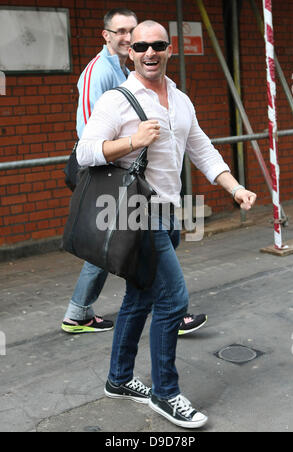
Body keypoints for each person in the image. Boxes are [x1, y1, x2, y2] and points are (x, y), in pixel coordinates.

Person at [76, 21, 257, 429]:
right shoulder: (117, 100)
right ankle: (165, 392)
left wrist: (234, 187)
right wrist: (132, 142)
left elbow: (202, 150)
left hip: (171, 213)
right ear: (130, 51)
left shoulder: (179, 99)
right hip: (137, 217)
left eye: (158, 45)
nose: (149, 52)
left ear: (170, 49)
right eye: (140, 46)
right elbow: (86, 152)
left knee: (138, 300)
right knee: (173, 301)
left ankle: (119, 379)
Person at [62, 9, 207, 337]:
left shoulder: (124, 68)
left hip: (134, 178)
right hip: (109, 174)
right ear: (107, 35)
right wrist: (130, 143)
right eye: (122, 31)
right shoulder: (98, 72)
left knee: (117, 243)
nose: (129, 37)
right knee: (110, 242)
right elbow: (90, 138)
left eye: (133, 31)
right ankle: (165, 306)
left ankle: (86, 311)